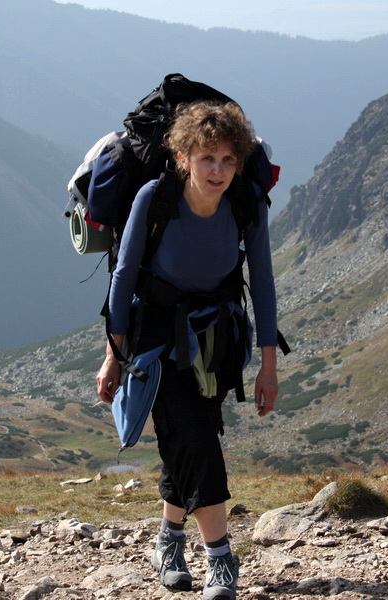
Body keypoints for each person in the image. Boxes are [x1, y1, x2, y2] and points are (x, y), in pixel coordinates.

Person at [96, 100, 280, 600]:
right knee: (196, 438)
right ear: (183, 156)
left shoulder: (246, 204)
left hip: (218, 337)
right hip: (156, 338)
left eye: (227, 159)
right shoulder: (153, 199)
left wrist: (268, 366)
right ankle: (221, 559)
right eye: (206, 158)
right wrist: (114, 354)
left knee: (186, 439)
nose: (217, 170)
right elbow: (123, 277)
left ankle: (168, 541)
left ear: (238, 162)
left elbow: (261, 283)